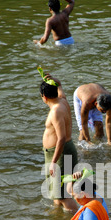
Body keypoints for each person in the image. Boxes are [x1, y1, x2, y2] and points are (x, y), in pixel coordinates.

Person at [40, 73, 78, 212]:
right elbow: (60, 84)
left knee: (63, 196)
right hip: (58, 152)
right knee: (57, 193)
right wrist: (53, 80)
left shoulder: (56, 111)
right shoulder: (62, 100)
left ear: (44, 96)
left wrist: (54, 162)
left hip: (61, 153)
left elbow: (61, 138)